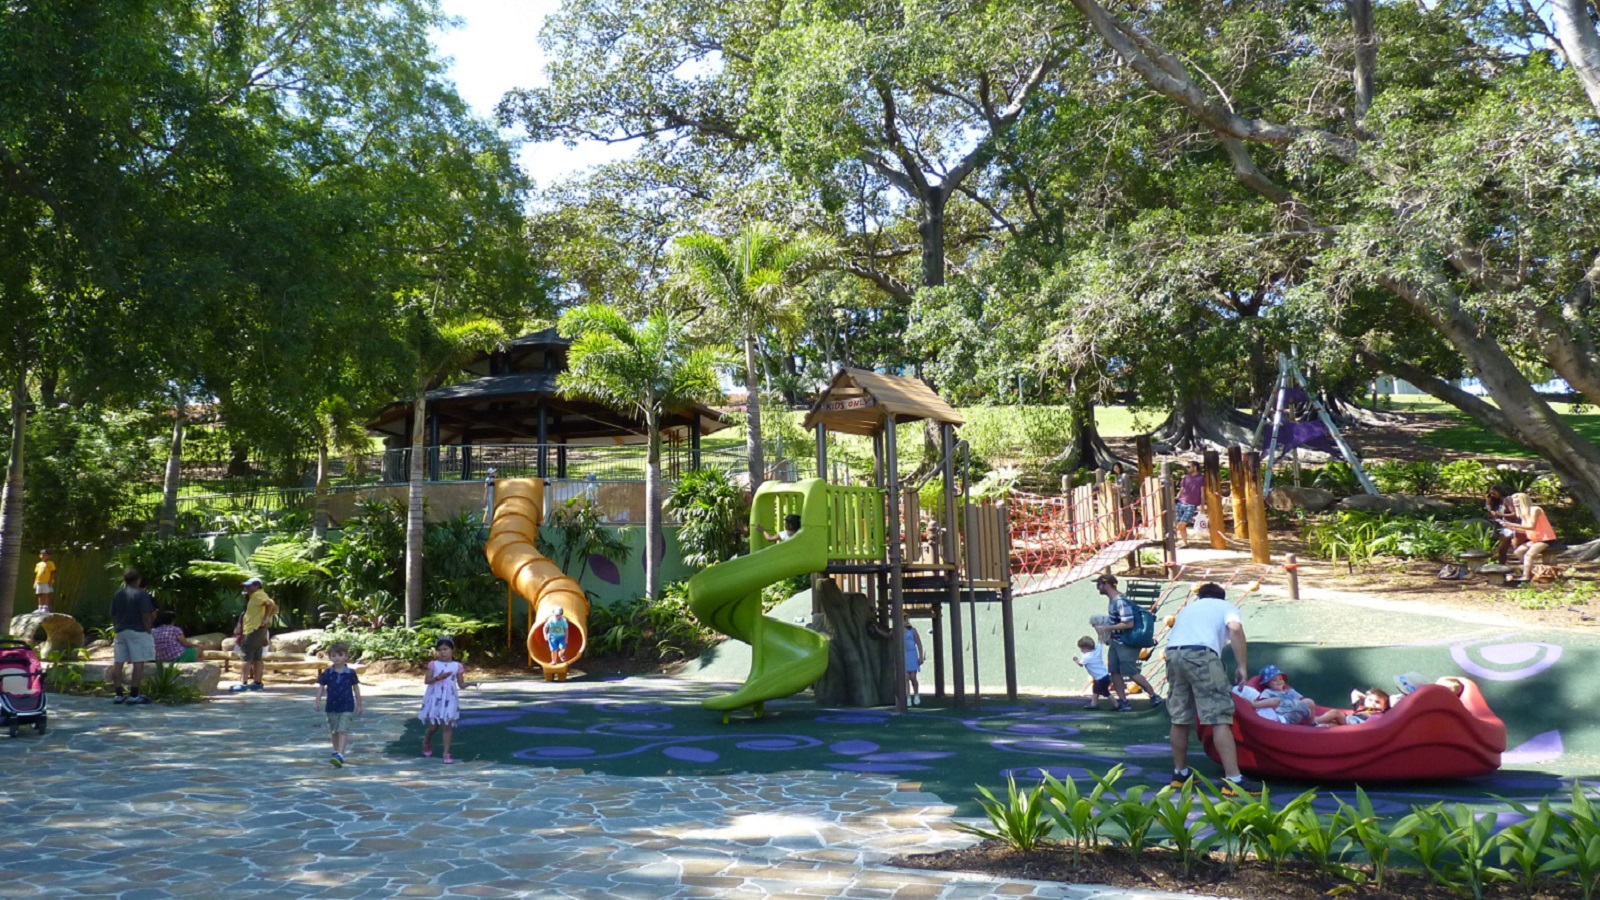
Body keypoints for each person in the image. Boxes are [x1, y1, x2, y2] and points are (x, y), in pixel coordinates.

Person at [1164, 581, 1261, 796]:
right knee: (1219, 717)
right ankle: (1233, 780)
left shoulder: (1188, 609)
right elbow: (1235, 629)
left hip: (1173, 655)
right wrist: (1242, 666)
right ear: (1221, 596)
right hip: (1202, 656)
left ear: (1200, 596)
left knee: (1179, 716)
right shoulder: (1225, 606)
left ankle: (1180, 773)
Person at [1093, 574, 1164, 712]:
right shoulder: (1113, 601)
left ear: (1106, 584)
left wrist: (1106, 628)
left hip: (1126, 642)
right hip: (1116, 641)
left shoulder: (1120, 602)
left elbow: (1128, 623)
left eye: (1099, 584)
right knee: (1114, 671)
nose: (1098, 587)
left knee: (1131, 672)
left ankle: (1153, 695)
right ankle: (1123, 701)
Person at [109, 568, 156, 705]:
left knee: (118, 662)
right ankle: (134, 695)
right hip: (138, 631)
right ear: (138, 580)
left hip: (120, 631)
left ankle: (118, 694)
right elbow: (146, 614)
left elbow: (113, 614)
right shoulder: (142, 594)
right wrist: (148, 629)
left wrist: (117, 627)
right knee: (138, 663)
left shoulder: (118, 594)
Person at [315, 642, 363, 767]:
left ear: (346, 656)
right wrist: (318, 701)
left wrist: (359, 705)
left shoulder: (350, 673)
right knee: (334, 731)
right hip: (331, 706)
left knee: (342, 730)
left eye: (340, 655)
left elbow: (356, 689)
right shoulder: (327, 673)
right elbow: (321, 687)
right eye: (334, 655)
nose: (337, 658)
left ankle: (340, 754)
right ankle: (336, 751)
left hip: (347, 705)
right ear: (330, 657)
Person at [419, 636, 466, 764]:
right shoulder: (433, 664)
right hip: (435, 696)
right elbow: (427, 681)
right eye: (439, 650)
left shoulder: (457, 666)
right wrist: (438, 678)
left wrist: (469, 684)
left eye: (445, 649)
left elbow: (461, 683)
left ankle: (446, 753)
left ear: (452, 650)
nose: (442, 652)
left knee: (447, 724)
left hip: (450, 697)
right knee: (434, 725)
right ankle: (426, 740)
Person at [230, 577, 278, 693]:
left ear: (257, 586)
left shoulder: (258, 595)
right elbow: (275, 607)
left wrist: (265, 618)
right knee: (257, 657)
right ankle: (257, 683)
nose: (246, 588)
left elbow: (269, 604)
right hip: (258, 630)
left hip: (252, 630)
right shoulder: (260, 595)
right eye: (245, 586)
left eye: (248, 585)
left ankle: (243, 683)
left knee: (246, 656)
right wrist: (267, 618)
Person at [1504, 492, 1557, 584]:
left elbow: (1531, 527)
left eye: (1518, 502)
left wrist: (1512, 524)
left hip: (1545, 539)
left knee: (1528, 555)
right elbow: (1525, 530)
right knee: (1518, 552)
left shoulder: (1535, 510)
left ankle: (1526, 576)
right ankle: (1534, 571)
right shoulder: (1524, 514)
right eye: (1515, 503)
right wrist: (1511, 527)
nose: (1516, 505)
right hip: (1534, 539)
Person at [1248, 664, 1315, 725]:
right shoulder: (1268, 692)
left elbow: (1301, 702)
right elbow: (1267, 705)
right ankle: (1254, 705)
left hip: (1296, 714)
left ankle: (1312, 723)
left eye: (1280, 679)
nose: (1279, 681)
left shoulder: (1290, 691)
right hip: (1283, 716)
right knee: (1278, 700)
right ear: (1267, 683)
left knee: (1309, 701)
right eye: (1274, 680)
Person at [1073, 635, 1113, 710]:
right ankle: (1094, 704)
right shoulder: (1097, 650)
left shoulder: (1086, 657)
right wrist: (1100, 633)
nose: (1081, 650)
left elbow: (1080, 664)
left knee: (1106, 693)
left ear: (1086, 648)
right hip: (1104, 676)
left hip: (1100, 678)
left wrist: (1076, 659)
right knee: (1095, 690)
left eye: (1081, 648)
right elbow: (1100, 640)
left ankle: (1117, 705)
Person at [1316, 687, 1390, 726]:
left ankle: (1314, 721)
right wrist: (1366, 698)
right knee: (1332, 723)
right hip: (1352, 721)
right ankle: (1318, 726)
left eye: (1377, 702)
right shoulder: (1361, 706)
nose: (1373, 703)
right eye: (1370, 700)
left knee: (1335, 713)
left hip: (1360, 724)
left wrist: (1368, 699)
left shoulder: (1381, 712)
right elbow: (1355, 693)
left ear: (1384, 706)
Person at [1174, 461, 1205, 546]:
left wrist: (1202, 506)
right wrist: (1176, 499)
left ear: (1195, 467)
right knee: (1181, 524)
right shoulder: (1186, 477)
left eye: (1189, 466)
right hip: (1180, 502)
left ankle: (1171, 534)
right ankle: (1185, 543)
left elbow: (1202, 492)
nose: (1188, 468)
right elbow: (1181, 490)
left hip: (1192, 504)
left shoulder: (1201, 478)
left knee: (1183, 522)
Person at [1485, 484, 1516, 566]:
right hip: (1503, 527)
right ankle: (1502, 566)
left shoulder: (1507, 499)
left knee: (1506, 548)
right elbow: (1491, 515)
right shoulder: (1498, 502)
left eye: (1493, 493)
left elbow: (1514, 514)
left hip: (1511, 526)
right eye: (1491, 494)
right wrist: (1488, 503)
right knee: (1501, 550)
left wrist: (1500, 515)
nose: (1492, 495)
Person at [1111, 463, 1138, 529]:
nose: (1115, 469)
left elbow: (1121, 485)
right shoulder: (1117, 477)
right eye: (1114, 468)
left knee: (1128, 510)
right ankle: (1123, 525)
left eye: (1117, 468)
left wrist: (1115, 486)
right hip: (1120, 496)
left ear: (1120, 468)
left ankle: (1131, 525)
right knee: (1121, 510)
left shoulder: (1124, 475)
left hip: (1126, 495)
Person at [903, 623, 925, 705]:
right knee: (906, 677)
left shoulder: (913, 630)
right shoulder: (897, 630)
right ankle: (908, 696)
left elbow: (919, 644)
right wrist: (877, 630)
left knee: (913, 677)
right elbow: (888, 635)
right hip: (903, 655)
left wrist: (921, 656)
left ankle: (916, 694)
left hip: (912, 655)